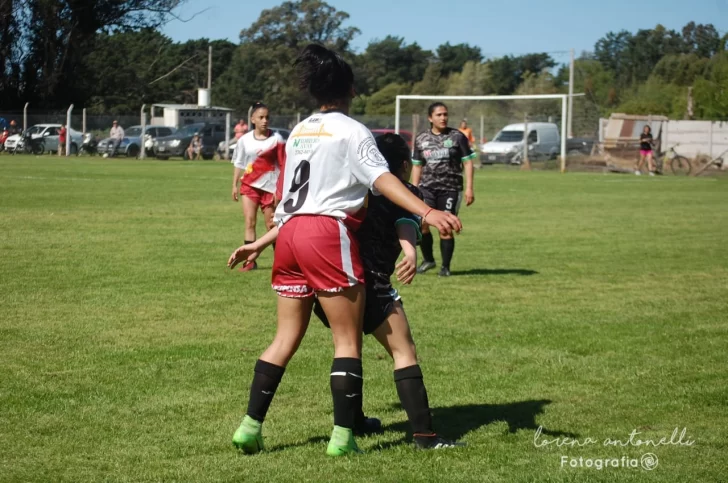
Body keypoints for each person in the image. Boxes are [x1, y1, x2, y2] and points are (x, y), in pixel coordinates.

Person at [227, 43, 461, 457]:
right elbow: (383, 179)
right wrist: (427, 211)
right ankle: (343, 438)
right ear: (350, 89)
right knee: (347, 340)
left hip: (291, 231)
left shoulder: (299, 129)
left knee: (285, 338)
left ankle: (250, 426)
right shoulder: (353, 131)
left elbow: (292, 196)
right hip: (324, 232)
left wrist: (259, 242)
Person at [313, 133, 463, 449]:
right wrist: (410, 252)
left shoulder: (352, 188)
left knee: (347, 349)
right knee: (403, 350)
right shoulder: (406, 192)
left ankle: (353, 423)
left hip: (332, 282)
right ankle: (425, 436)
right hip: (373, 285)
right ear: (405, 165)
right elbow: (405, 223)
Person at [412, 102, 476, 277]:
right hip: (427, 189)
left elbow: (468, 162)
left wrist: (469, 188)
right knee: (423, 224)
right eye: (439, 115)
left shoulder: (457, 137)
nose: (443, 118)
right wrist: (413, 190)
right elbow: (417, 166)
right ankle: (428, 260)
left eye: (445, 114)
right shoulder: (421, 138)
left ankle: (445, 267)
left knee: (445, 227)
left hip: (450, 189)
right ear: (430, 118)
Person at [231, 102, 286, 271]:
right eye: (261, 117)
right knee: (249, 222)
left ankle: (281, 262)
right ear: (252, 119)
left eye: (267, 117)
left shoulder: (277, 139)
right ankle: (250, 262)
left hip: (270, 187)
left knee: (271, 225)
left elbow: (284, 164)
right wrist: (234, 185)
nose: (265, 120)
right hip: (249, 186)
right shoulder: (245, 140)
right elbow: (239, 163)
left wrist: (280, 189)